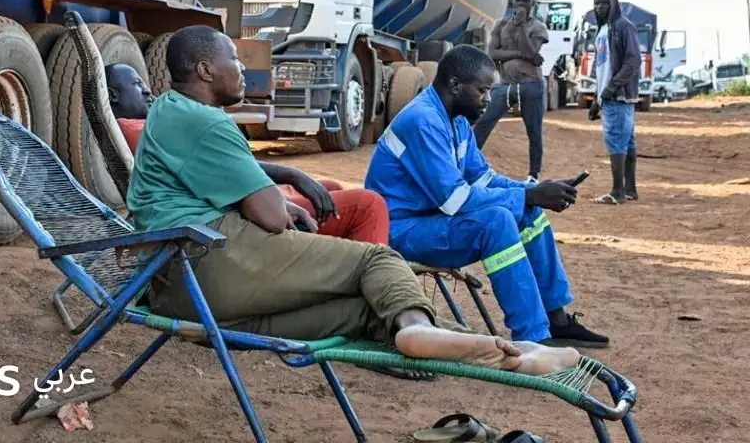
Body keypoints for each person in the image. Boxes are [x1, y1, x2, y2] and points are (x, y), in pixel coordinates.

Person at [125, 25, 583, 376]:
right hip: (210, 260)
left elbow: (225, 175)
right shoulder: (210, 123)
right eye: (233, 58)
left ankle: (507, 353)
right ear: (205, 70)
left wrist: (284, 178)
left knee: (364, 311)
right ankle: (442, 332)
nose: (242, 66)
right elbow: (267, 216)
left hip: (178, 291)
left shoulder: (169, 110)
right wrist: (280, 201)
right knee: (375, 263)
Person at [363, 44, 610, 349]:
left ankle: (556, 320)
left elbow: (485, 180)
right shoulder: (423, 121)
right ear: (455, 85)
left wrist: (534, 192)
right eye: (483, 90)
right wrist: (531, 194)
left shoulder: (454, 120)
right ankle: (533, 336)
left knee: (528, 213)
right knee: (498, 220)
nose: (490, 99)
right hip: (401, 231)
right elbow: (454, 200)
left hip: (430, 221)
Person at [106, 62, 387, 244]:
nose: (147, 91)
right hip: (230, 212)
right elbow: (230, 173)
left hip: (230, 198)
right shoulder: (144, 128)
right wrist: (291, 174)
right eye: (136, 85)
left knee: (332, 189)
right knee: (367, 205)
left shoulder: (156, 120)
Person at [472, 0, 550, 183]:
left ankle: (533, 175)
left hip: (531, 84)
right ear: (514, 3)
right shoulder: (501, 24)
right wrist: (522, 55)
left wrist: (522, 27)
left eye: (526, 1)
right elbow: (493, 54)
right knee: (483, 124)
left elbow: (531, 51)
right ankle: (468, 164)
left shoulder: (538, 27)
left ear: (533, 4)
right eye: (519, 0)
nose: (522, 4)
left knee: (534, 131)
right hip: (504, 84)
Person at [587, 0, 641, 205]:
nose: (600, 7)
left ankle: (617, 191)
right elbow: (602, 69)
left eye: (604, 3)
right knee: (626, 141)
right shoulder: (602, 30)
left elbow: (632, 61)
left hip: (618, 96)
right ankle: (630, 190)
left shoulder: (623, 26)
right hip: (608, 95)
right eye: (596, 3)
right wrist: (596, 99)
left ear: (613, 5)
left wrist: (611, 88)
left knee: (616, 141)